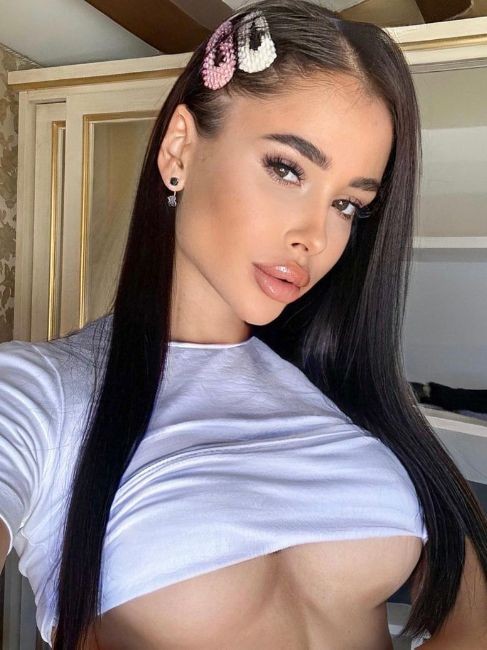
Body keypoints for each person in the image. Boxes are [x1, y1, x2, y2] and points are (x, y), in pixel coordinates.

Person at [0, 1, 486, 648]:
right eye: (287, 169)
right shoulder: (42, 393)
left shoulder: (351, 392)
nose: (315, 236)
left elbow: (471, 613)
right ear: (180, 148)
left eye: (347, 204)